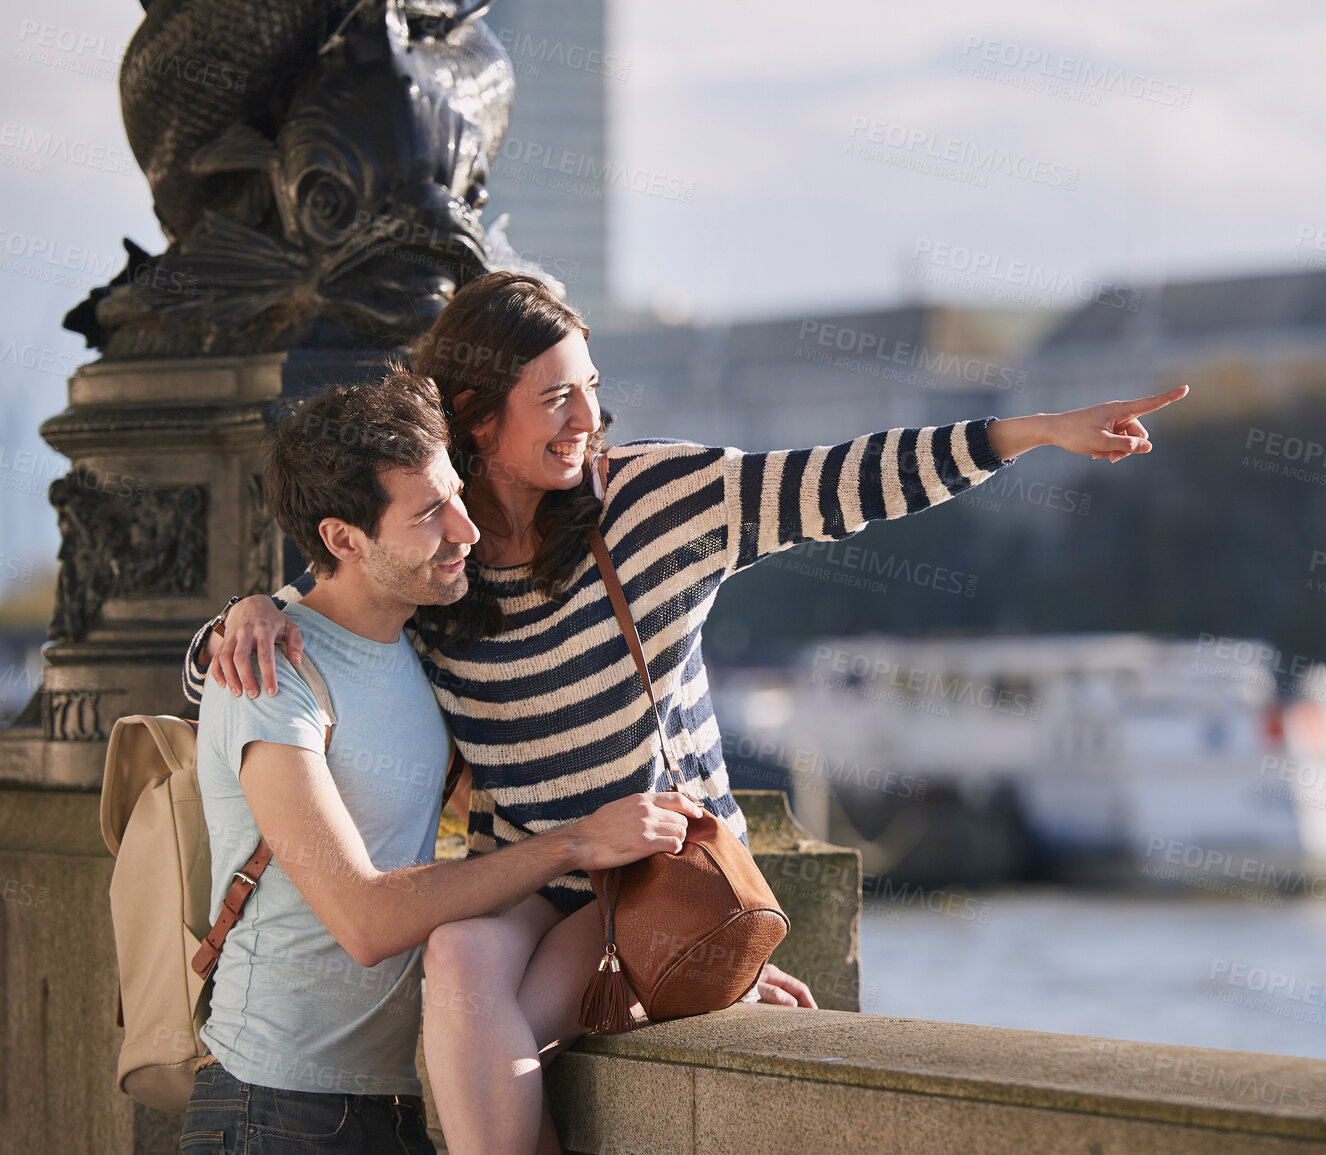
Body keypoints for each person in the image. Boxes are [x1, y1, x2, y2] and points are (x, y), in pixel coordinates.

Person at [185, 271, 1188, 1155]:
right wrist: (244, 617)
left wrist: (1037, 432)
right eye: (555, 398)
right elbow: (328, 621)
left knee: (490, 1047)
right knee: (455, 961)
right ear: (474, 419)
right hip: (530, 874)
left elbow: (844, 480)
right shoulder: (442, 576)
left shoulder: (655, 502)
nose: (586, 417)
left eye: (590, 388)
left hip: (651, 876)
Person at [183, 374, 705, 1155]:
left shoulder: (423, 646)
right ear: (343, 539)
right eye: (429, 513)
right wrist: (572, 842)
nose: (465, 527)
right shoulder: (270, 674)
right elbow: (366, 920)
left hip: (393, 1100)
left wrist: (695, 967)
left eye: (455, 494)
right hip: (275, 1109)